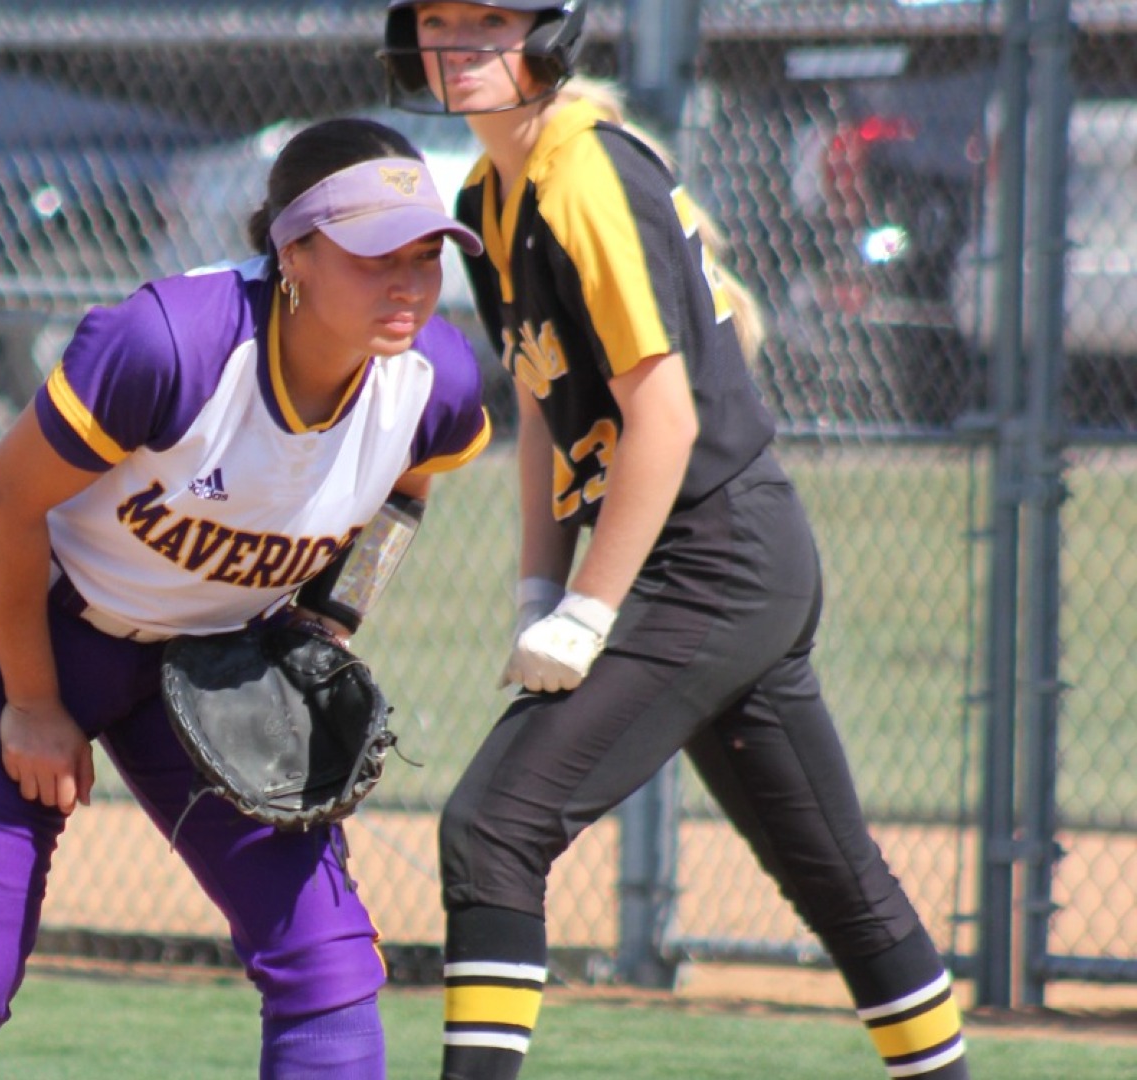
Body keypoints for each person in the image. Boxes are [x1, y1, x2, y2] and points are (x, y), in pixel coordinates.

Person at [0, 116, 494, 1080]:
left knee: (327, 967)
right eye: (374, 252)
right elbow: (4, 502)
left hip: (215, 659)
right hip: (17, 622)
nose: (410, 281)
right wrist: (33, 701)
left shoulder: (435, 382)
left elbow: (406, 488)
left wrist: (325, 621)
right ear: (292, 250)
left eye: (428, 253)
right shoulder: (174, 346)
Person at [377, 3, 974, 1079]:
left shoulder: (584, 172)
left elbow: (668, 420)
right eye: (438, 20)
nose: (458, 43)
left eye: (491, 19)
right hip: (722, 552)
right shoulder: (488, 194)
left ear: (550, 34)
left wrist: (590, 613)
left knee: (493, 825)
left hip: (715, 554)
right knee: (839, 879)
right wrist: (534, 591)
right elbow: (545, 415)